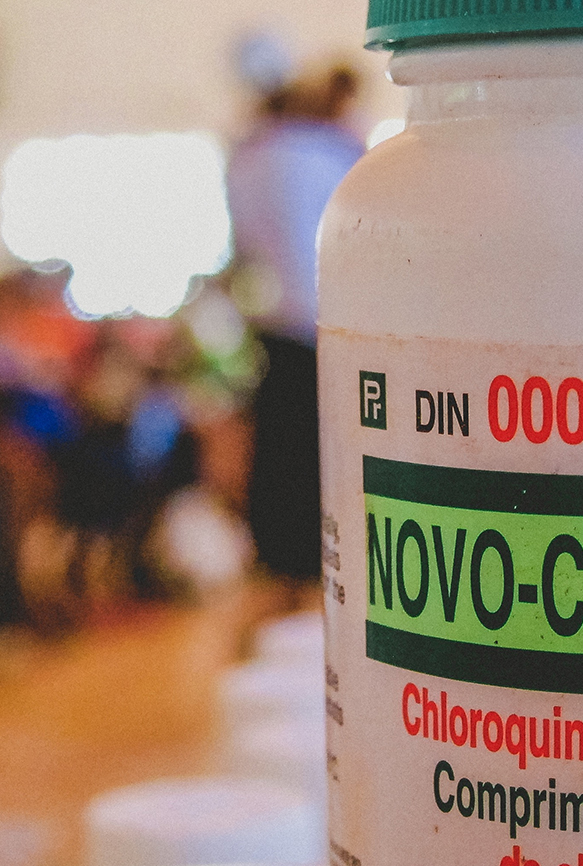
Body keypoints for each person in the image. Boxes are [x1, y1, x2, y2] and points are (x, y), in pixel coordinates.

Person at [225, 65, 365, 585]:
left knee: (278, 446)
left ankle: (276, 556)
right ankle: (311, 560)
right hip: (321, 323)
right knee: (314, 450)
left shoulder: (247, 158)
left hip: (275, 325)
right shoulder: (327, 153)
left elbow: (244, 250)